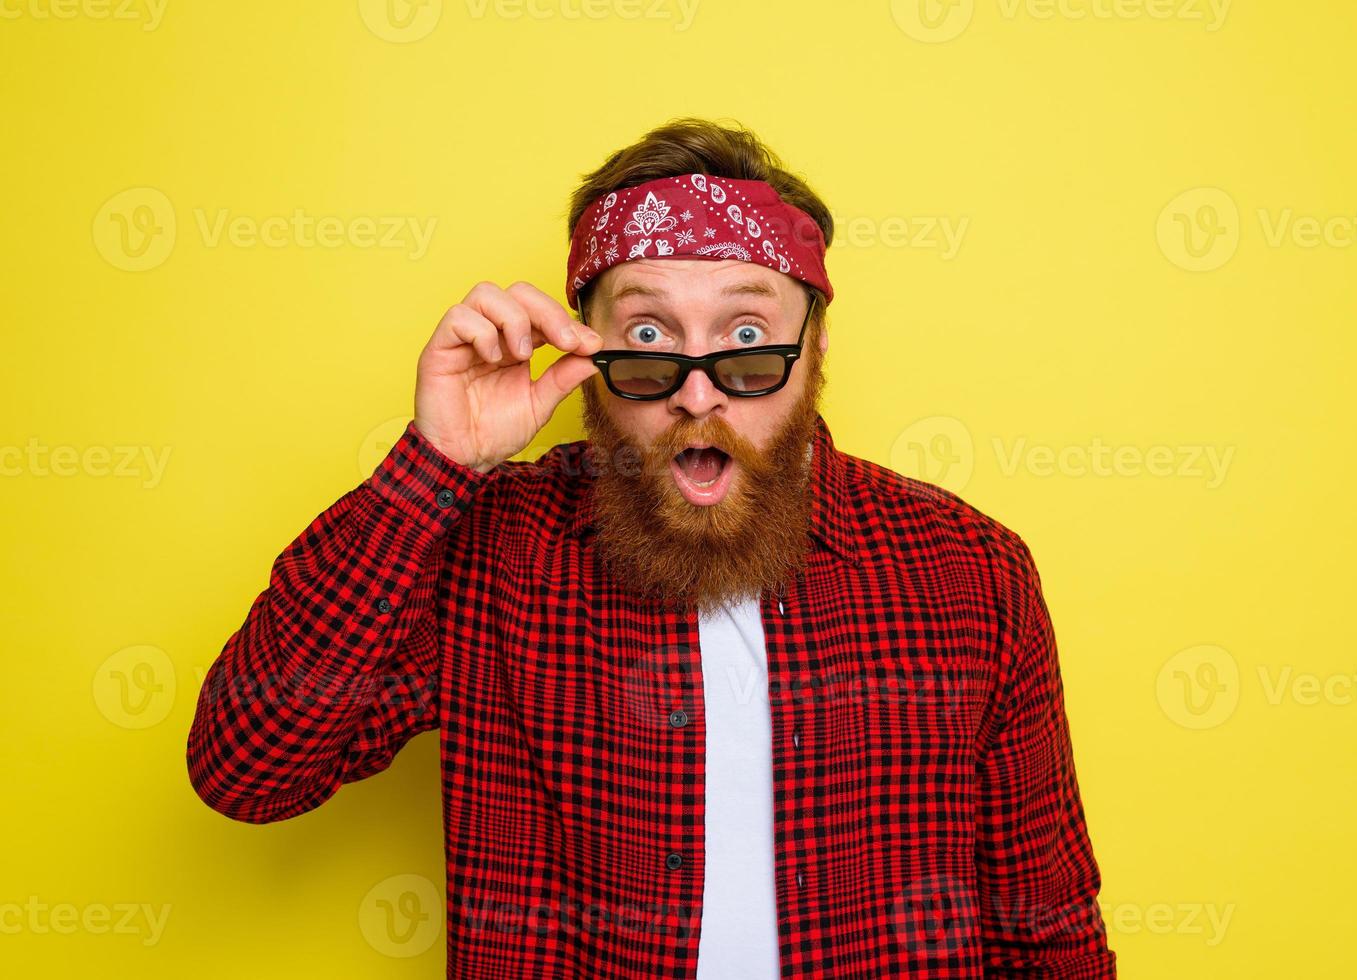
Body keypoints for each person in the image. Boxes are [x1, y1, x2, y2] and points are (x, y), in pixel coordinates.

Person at [186, 116, 1117, 979]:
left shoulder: (967, 569)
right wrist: (434, 465)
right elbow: (249, 770)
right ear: (583, 352)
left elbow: (1044, 916)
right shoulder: (487, 553)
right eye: (647, 337)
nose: (699, 394)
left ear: (815, 349)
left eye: (747, 340)